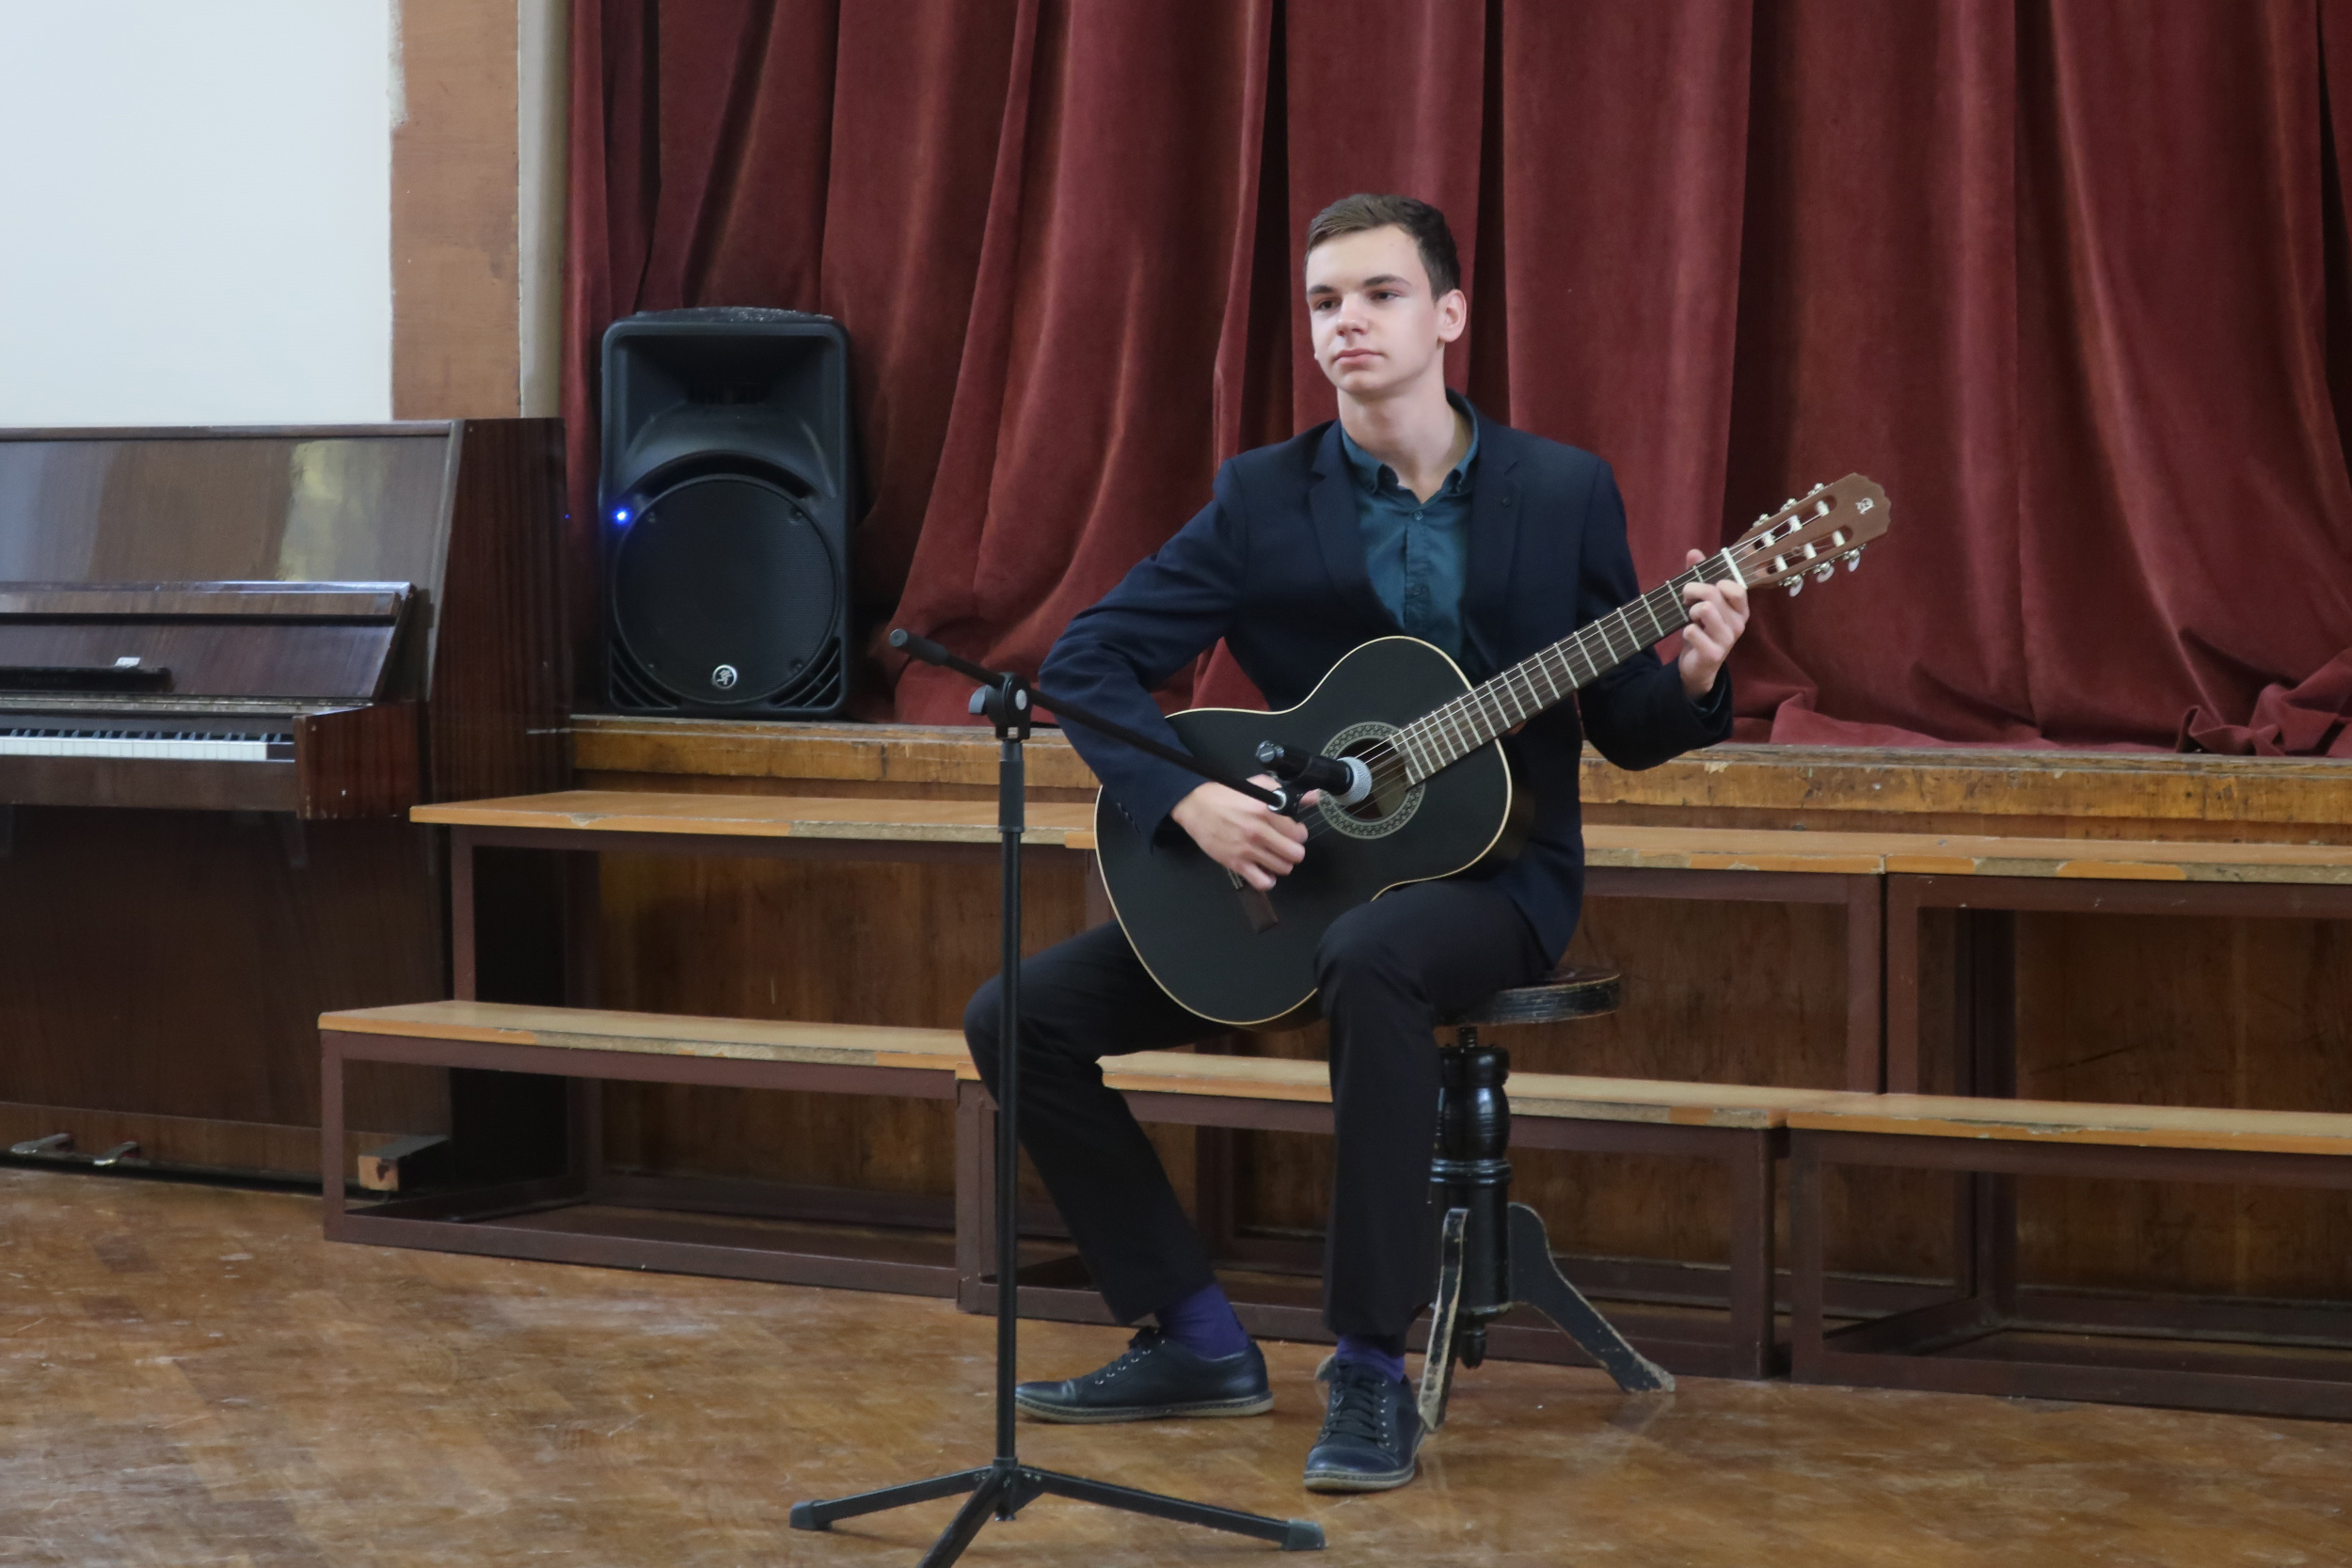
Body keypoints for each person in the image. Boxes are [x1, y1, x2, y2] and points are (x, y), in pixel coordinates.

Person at [962, 192, 1749, 1493]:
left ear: (1448, 316)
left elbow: (1624, 723)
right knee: (1016, 1017)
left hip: (1498, 880)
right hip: (1305, 868)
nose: (1348, 322)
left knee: (1376, 956)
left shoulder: (1562, 491)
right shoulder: (1263, 497)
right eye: (1325, 301)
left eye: (1380, 294)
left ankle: (1371, 1367)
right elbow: (1088, 660)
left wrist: (1698, 677)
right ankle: (1196, 1338)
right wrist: (1189, 802)